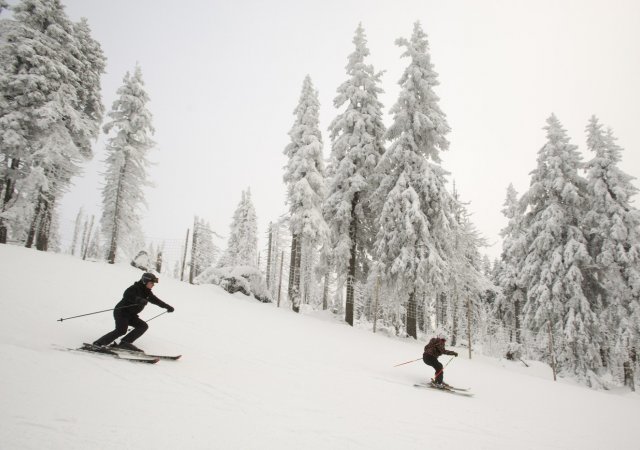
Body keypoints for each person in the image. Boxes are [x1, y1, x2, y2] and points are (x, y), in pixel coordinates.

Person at [93, 272, 174, 352]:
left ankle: (125, 343)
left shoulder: (147, 292)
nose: (153, 285)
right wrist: (138, 300)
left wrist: (167, 307)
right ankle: (98, 343)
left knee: (143, 326)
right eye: (151, 283)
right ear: (145, 281)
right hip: (121, 312)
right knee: (121, 330)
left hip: (131, 315)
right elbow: (127, 295)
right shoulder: (134, 288)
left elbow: (157, 301)